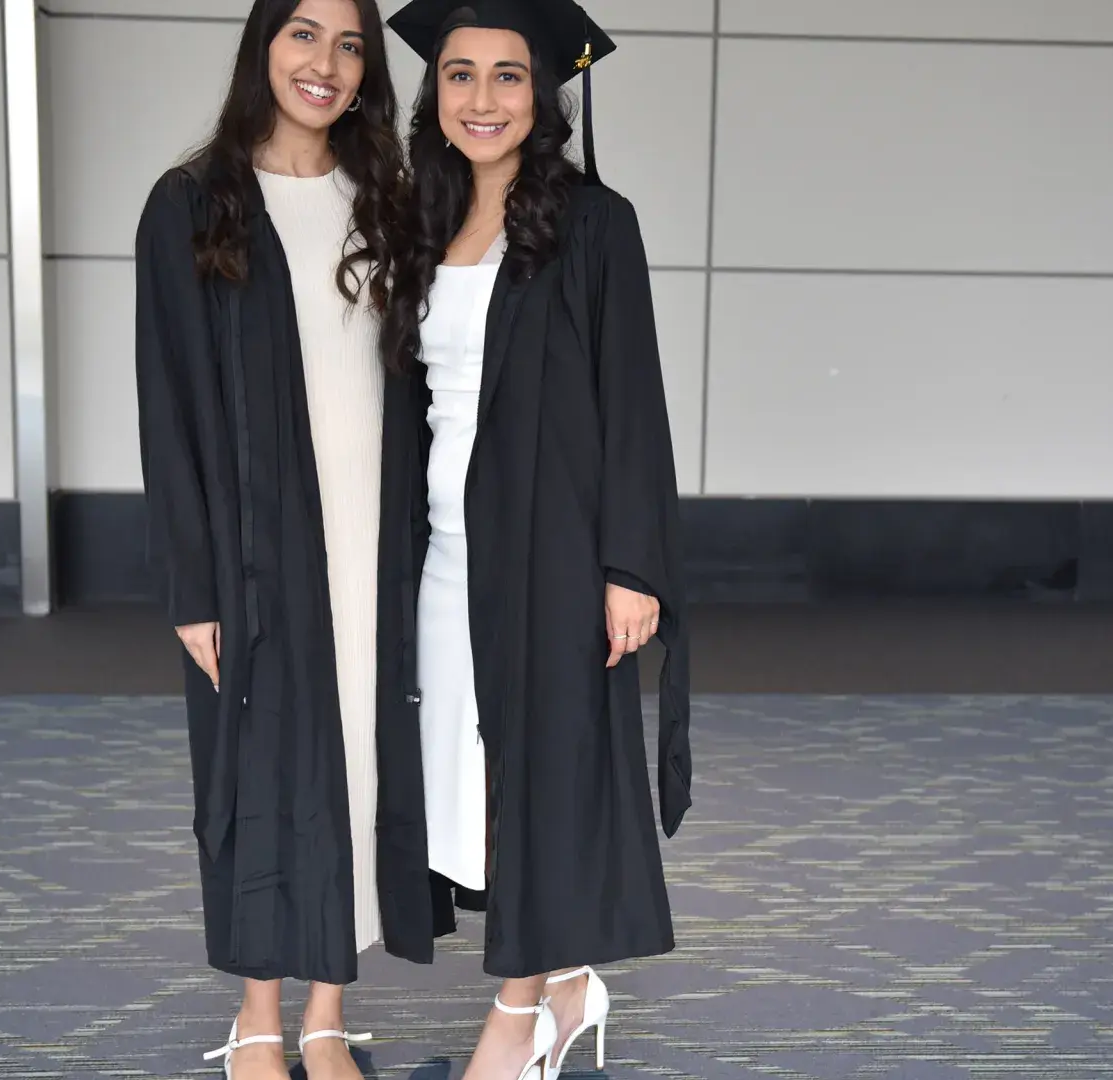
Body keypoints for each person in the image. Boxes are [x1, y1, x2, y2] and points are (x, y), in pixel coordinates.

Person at [373, 2, 693, 1078]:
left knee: (535, 774)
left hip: (552, 549)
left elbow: (633, 403)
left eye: (508, 76)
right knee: (470, 769)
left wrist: (631, 565)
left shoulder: (596, 223)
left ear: (545, 93)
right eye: (459, 75)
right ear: (436, 94)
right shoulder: (422, 215)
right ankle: (566, 985)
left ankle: (516, 1017)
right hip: (444, 547)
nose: (481, 98)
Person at [130, 1, 407, 1077]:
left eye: (349, 46)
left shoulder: (388, 196)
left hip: (373, 530)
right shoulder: (193, 204)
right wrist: (191, 583)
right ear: (262, 47)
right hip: (251, 541)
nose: (325, 65)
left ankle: (329, 1009)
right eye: (303, 36)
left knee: (360, 759)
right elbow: (170, 406)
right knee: (249, 766)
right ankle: (257, 1011)